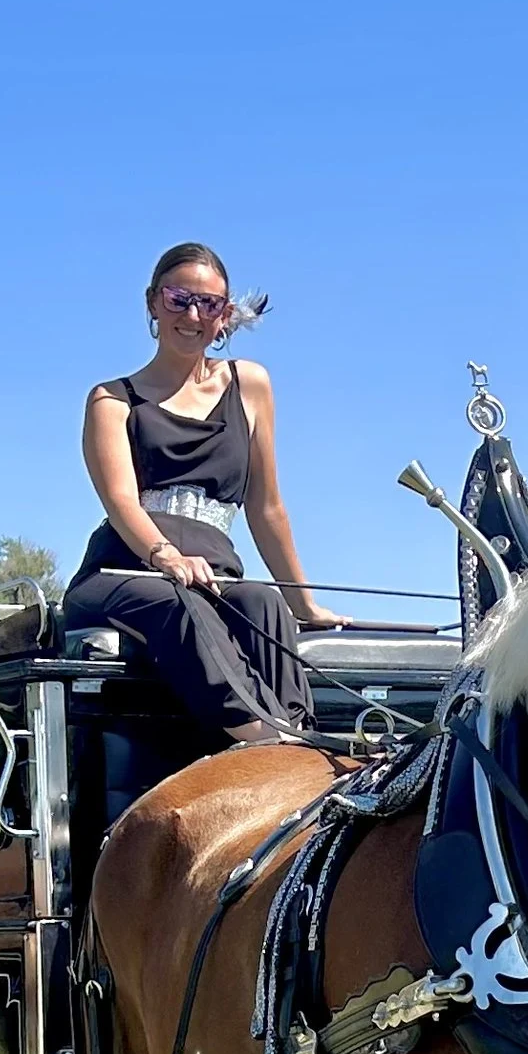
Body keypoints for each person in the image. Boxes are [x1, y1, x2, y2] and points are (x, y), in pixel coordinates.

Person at [66, 242, 345, 741]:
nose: (192, 314)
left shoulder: (250, 384)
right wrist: (165, 555)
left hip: (214, 575)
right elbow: (121, 500)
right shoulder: (111, 400)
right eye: (178, 299)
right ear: (153, 302)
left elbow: (266, 507)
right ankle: (262, 739)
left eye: (209, 304)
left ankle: (300, 737)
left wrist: (304, 602)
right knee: (181, 603)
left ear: (224, 316)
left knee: (262, 601)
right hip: (123, 572)